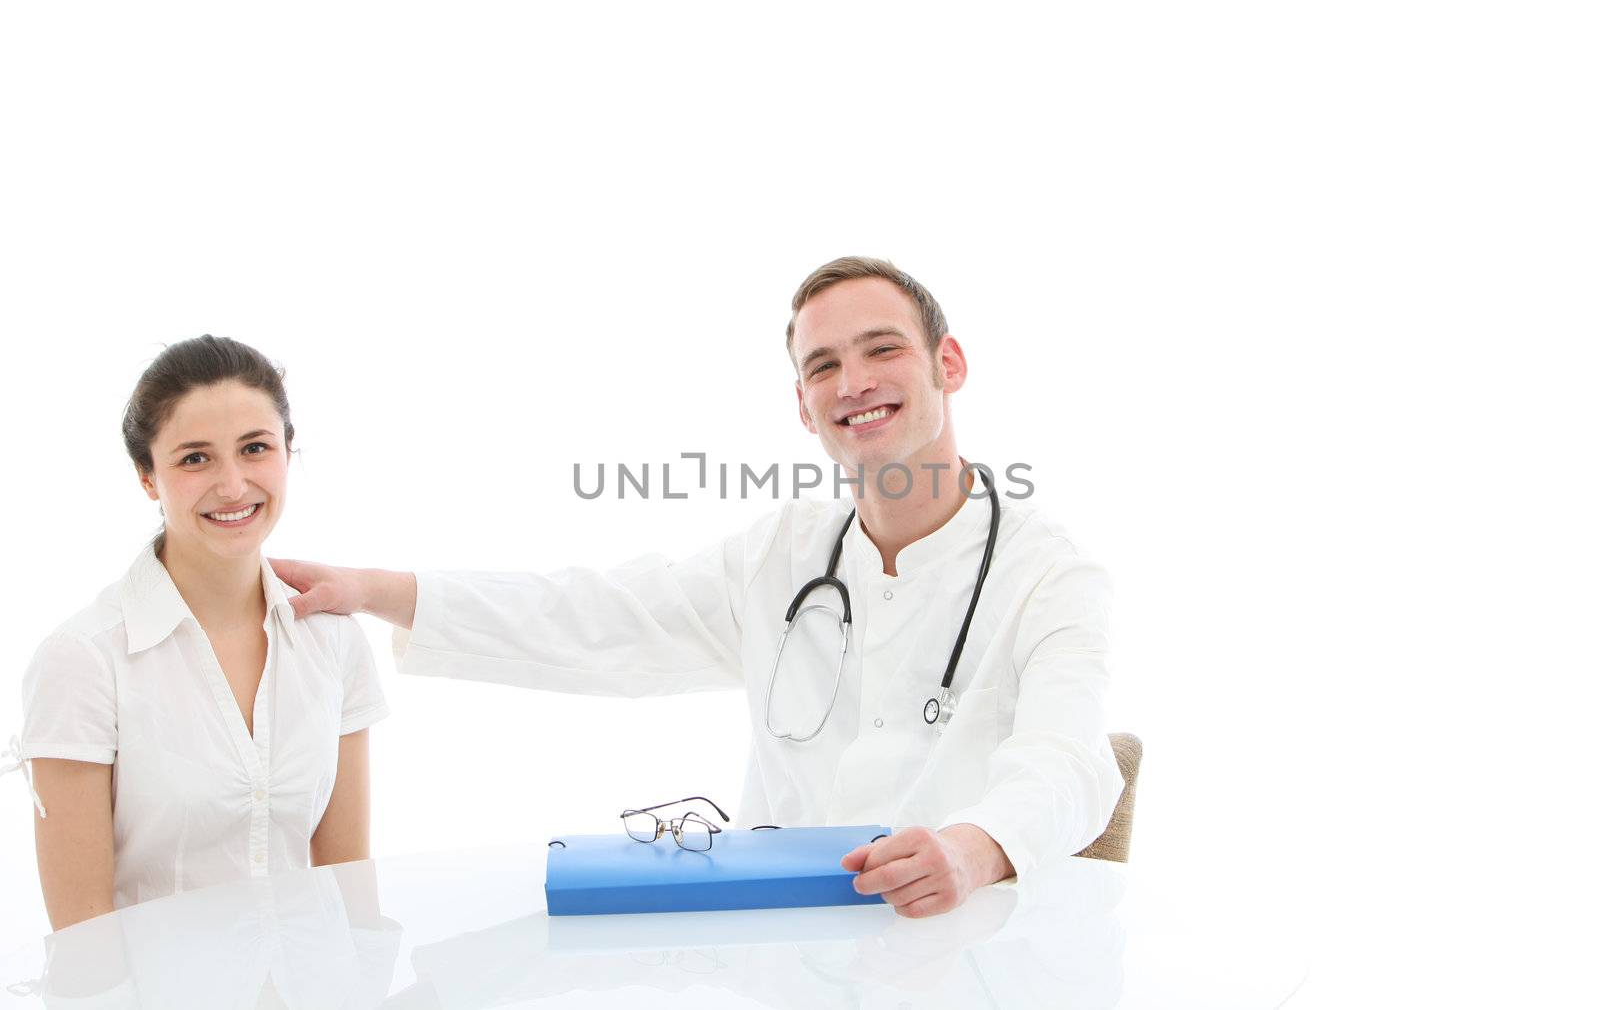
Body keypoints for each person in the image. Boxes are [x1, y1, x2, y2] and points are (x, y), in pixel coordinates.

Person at [276, 257, 1121, 919]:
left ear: (950, 363)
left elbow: (1069, 763)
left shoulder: (1051, 575)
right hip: (790, 959)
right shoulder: (781, 557)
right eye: (823, 365)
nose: (853, 382)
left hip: (973, 954)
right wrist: (377, 590)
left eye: (883, 348)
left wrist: (972, 849)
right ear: (803, 406)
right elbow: (596, 617)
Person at [5, 336, 389, 929]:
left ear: (289, 452)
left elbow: (351, 892)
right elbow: (83, 941)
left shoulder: (332, 638)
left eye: (255, 448)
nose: (233, 486)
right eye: (194, 458)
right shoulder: (82, 661)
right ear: (147, 477)